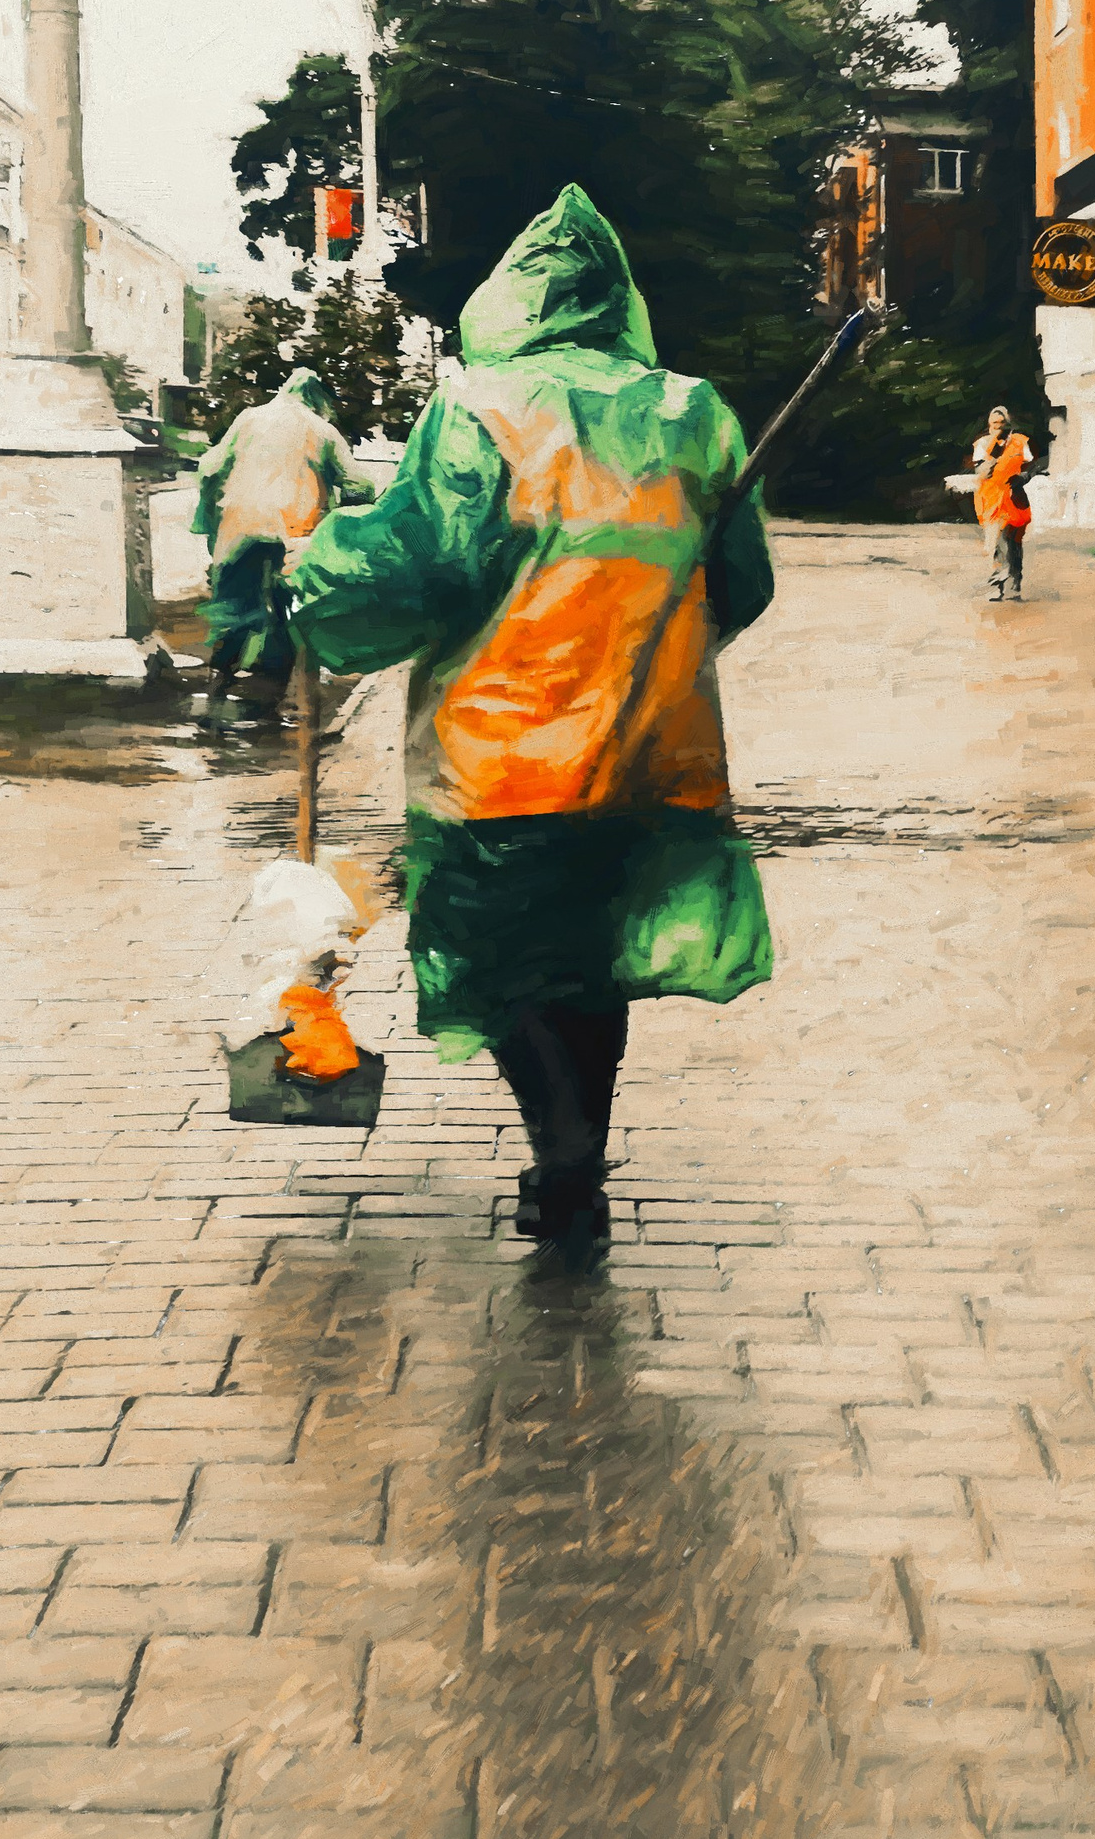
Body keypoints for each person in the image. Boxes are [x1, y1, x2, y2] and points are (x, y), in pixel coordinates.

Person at [289, 185, 775, 1248]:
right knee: (588, 965)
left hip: (501, 755)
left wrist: (317, 568)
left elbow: (418, 562)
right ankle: (575, 1152)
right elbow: (741, 580)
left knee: (513, 965)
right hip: (652, 748)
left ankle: (565, 1156)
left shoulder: (481, 410)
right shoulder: (695, 414)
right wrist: (650, 642)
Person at [190, 364, 370, 718]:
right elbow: (359, 484)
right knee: (289, 612)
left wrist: (208, 520)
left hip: (241, 528)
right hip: (295, 532)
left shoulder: (249, 420)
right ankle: (272, 701)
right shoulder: (323, 430)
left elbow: (210, 467)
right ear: (318, 399)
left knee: (234, 607)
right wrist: (343, 524)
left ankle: (218, 683)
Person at [971, 403, 1033, 601]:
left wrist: (1023, 477)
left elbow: (1030, 465)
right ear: (989, 426)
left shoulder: (1020, 442)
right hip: (991, 500)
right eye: (994, 424)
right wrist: (993, 457)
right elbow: (980, 471)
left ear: (1008, 423)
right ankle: (999, 583)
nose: (998, 427)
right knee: (996, 543)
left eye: (1001, 423)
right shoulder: (982, 445)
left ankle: (1014, 582)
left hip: (1015, 499)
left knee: (1014, 543)